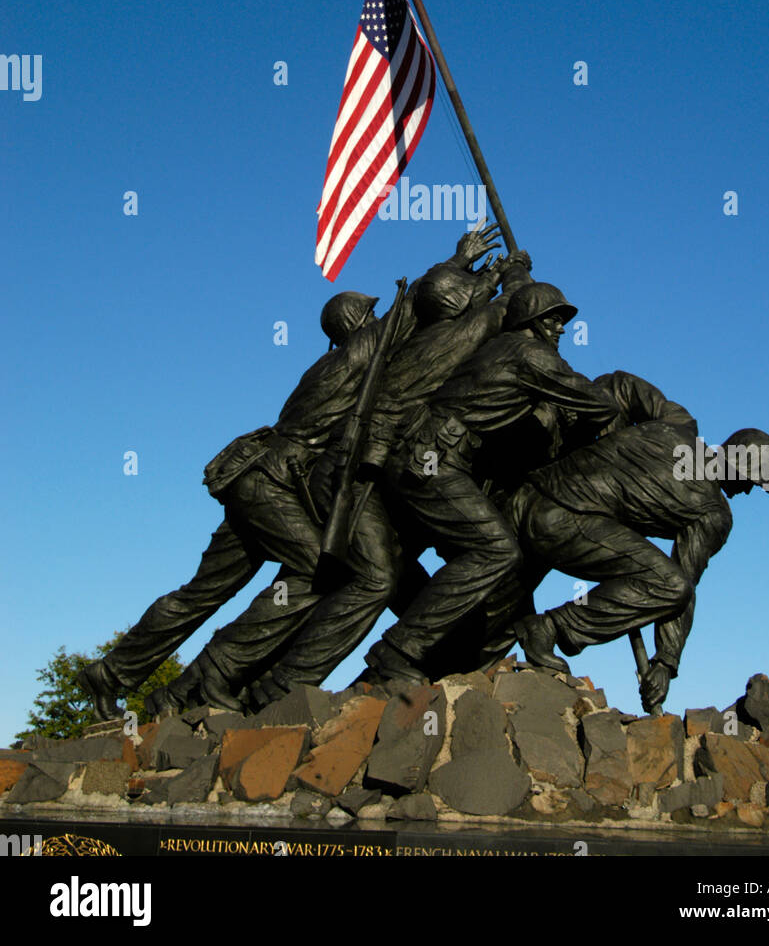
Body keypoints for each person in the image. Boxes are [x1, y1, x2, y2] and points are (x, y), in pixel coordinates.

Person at [79, 226, 499, 720]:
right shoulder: (361, 353)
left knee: (201, 593)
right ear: (357, 323)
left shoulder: (333, 364)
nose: (375, 319)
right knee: (315, 571)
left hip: (258, 480)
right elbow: (408, 317)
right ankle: (218, 674)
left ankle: (112, 675)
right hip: (271, 484)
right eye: (368, 314)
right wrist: (458, 263)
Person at [363, 282, 621, 683]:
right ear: (532, 322)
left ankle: (436, 651)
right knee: (497, 550)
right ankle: (397, 650)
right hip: (433, 458)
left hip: (429, 453)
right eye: (554, 319)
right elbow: (599, 402)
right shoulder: (529, 353)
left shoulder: (503, 349)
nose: (562, 329)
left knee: (469, 552)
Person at [503, 379, 769, 712]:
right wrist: (666, 662)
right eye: (752, 482)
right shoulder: (714, 513)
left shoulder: (678, 424)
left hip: (525, 498)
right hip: (560, 523)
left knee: (491, 629)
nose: (748, 491)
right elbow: (682, 586)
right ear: (740, 465)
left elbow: (620, 385)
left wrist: (606, 430)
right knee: (669, 584)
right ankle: (549, 627)